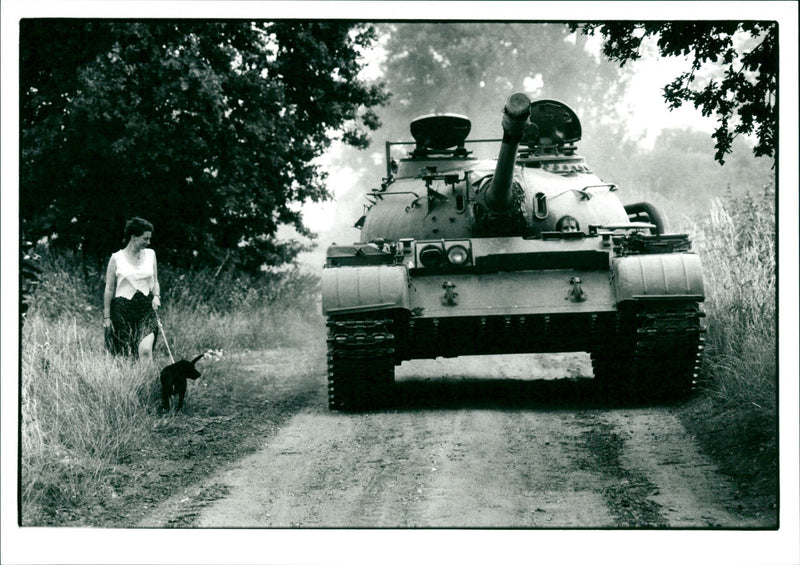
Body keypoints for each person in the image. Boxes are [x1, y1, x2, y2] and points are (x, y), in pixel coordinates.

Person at [103, 217, 161, 360]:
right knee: (127, 354)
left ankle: (147, 382)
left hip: (146, 309)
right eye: (145, 239)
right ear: (134, 237)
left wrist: (156, 296)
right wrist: (107, 317)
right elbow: (109, 289)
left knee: (146, 350)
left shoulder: (151, 254)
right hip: (122, 310)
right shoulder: (116, 258)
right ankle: (132, 382)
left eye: (149, 239)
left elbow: (155, 281)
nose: (149, 242)